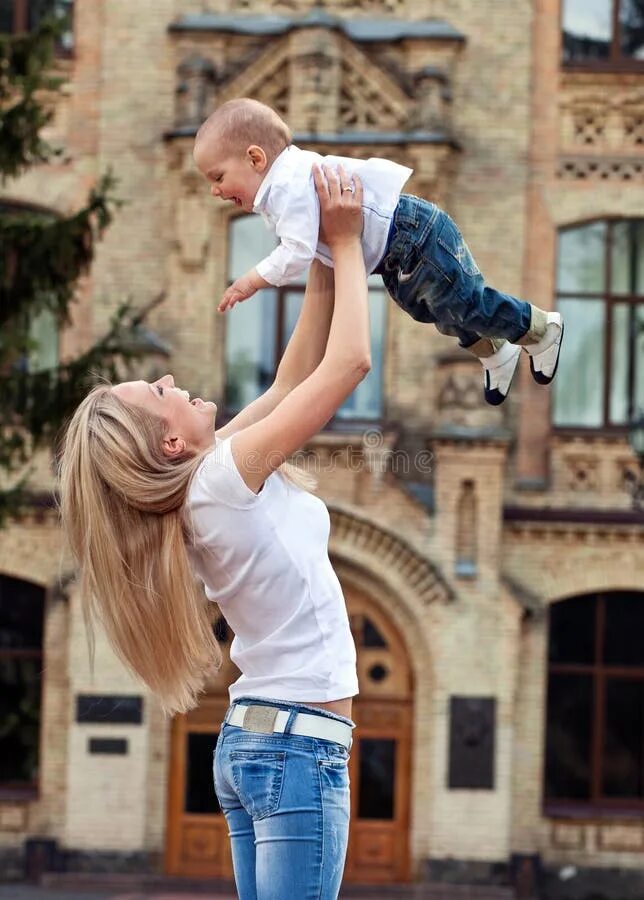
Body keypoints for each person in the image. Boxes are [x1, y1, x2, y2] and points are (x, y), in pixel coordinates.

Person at [58, 165, 368, 900]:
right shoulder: (222, 479)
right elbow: (349, 362)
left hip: (257, 741)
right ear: (169, 445)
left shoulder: (205, 485)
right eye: (162, 395)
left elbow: (291, 383)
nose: (177, 385)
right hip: (295, 746)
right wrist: (352, 244)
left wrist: (319, 253)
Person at [193, 97, 564, 407]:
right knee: (431, 310)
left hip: (414, 234)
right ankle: (494, 350)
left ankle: (539, 328)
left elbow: (298, 251)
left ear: (255, 158)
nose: (215, 190)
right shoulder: (280, 189)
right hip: (395, 251)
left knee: (462, 301)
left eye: (218, 177)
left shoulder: (287, 187)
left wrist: (251, 280)